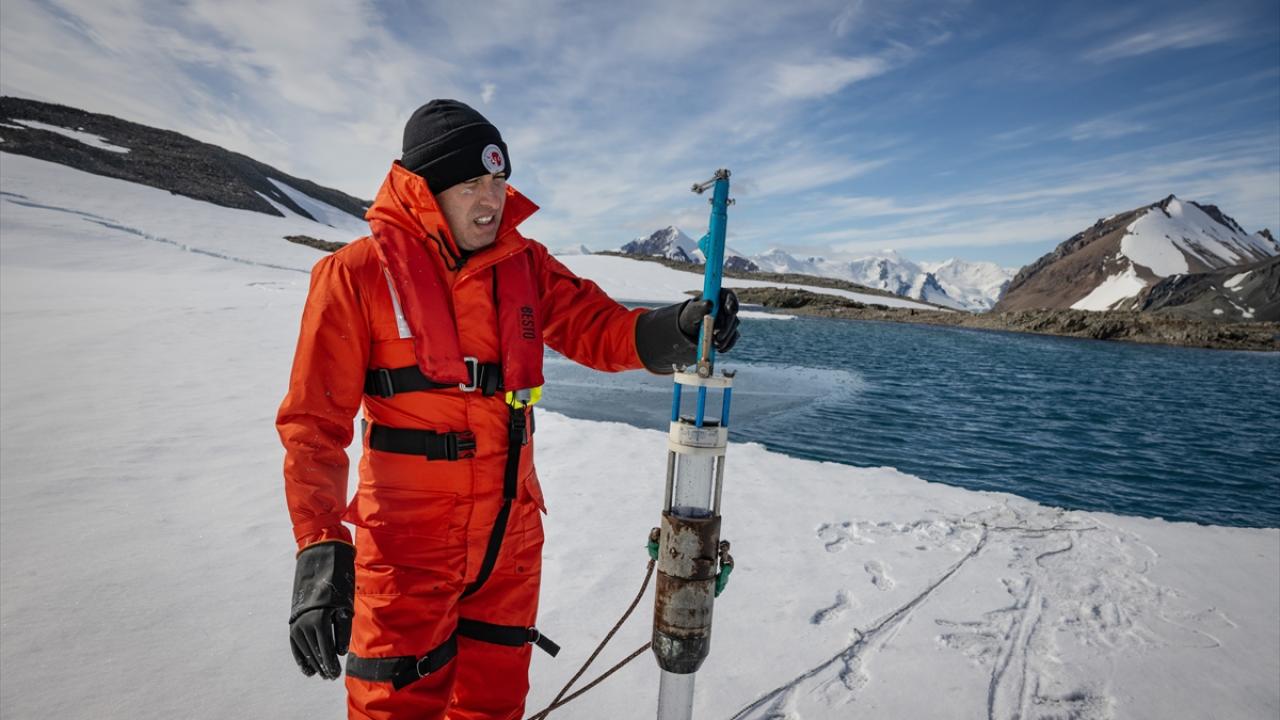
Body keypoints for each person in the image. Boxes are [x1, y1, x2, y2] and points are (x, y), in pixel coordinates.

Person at [277, 99, 739, 720]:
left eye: (498, 180)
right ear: (426, 188)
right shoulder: (356, 275)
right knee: (395, 708)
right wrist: (320, 544)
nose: (490, 198)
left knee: (493, 709)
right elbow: (314, 426)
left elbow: (596, 326)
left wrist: (674, 330)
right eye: (471, 183)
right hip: (409, 549)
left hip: (509, 543)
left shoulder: (524, 265)